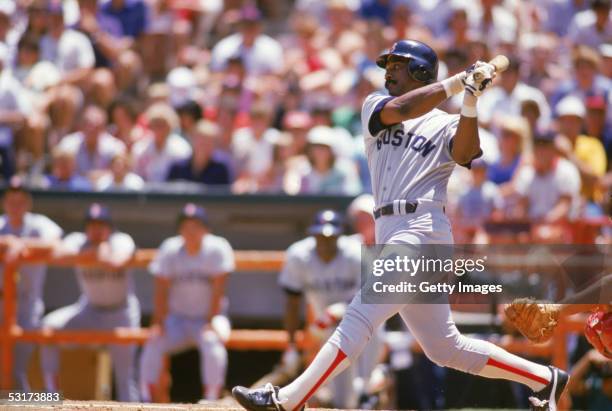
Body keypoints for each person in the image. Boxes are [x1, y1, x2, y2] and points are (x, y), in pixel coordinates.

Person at [232, 39, 569, 411]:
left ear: (422, 72)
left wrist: (470, 98)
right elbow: (402, 109)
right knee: (444, 347)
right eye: (388, 64)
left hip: (423, 226)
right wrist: (460, 81)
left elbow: (464, 153)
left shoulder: (445, 122)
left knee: (361, 312)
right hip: (390, 228)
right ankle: (546, 379)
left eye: (398, 64)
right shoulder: (375, 105)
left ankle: (288, 399)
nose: (388, 70)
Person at [275, 210, 384, 408]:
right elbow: (292, 302)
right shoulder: (298, 255)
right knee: (342, 397)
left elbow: (373, 298)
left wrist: (340, 310)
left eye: (331, 237)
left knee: (363, 382)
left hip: (364, 319)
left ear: (340, 235)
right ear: (312, 235)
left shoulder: (355, 253)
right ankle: (350, 398)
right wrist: (291, 345)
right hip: (325, 325)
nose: (325, 242)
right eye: (320, 236)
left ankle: (369, 387)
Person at [40, 203, 140, 401]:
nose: (96, 229)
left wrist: (99, 251)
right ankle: (50, 396)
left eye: (101, 224)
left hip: (121, 314)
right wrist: (90, 253)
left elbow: (115, 261)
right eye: (92, 225)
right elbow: (57, 256)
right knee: (48, 327)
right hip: (90, 311)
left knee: (125, 378)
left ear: (110, 227)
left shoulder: (120, 239)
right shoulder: (78, 240)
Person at [139, 203, 234, 402]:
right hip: (178, 319)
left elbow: (219, 289)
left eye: (196, 225)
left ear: (206, 229)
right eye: (186, 226)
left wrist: (210, 321)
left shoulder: (217, 247)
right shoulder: (170, 248)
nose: (191, 231)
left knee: (212, 342)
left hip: (210, 317)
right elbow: (161, 289)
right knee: (154, 341)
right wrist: (158, 321)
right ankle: (145, 398)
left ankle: (211, 399)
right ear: (180, 229)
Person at [0, 177, 62, 390]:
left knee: (15, 370)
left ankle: (34, 404)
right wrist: (9, 242)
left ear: (28, 203)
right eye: (11, 201)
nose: (15, 206)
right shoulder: (1, 225)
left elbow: (56, 242)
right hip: (1, 302)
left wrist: (22, 245)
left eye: (20, 201)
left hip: (26, 306)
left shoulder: (39, 224)